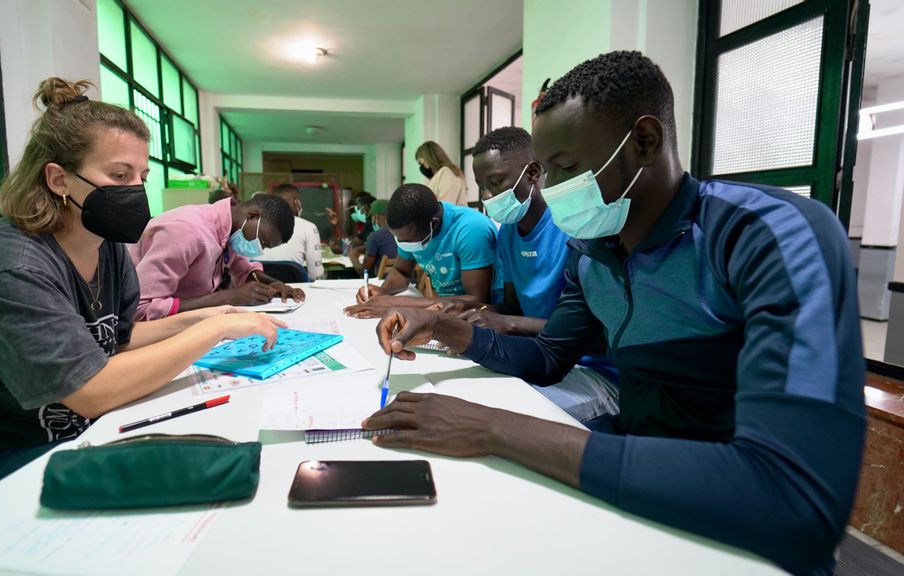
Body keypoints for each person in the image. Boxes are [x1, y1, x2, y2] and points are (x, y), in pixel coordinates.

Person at [364, 51, 864, 575]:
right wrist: (441, 324)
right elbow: (550, 359)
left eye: (566, 168)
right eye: (546, 171)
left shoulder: (766, 235)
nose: (551, 191)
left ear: (644, 142)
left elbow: (791, 497)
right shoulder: (594, 251)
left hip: (737, 526)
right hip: (639, 481)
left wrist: (492, 428)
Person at [0, 78, 286, 527]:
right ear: (58, 179)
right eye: (118, 176)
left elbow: (116, 337)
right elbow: (92, 391)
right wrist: (213, 330)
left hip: (43, 429)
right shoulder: (6, 263)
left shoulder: (105, 245)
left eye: (141, 177)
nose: (135, 190)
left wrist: (212, 313)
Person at [429, 126, 618, 422]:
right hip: (536, 355)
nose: (489, 196)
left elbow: (595, 336)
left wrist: (506, 323)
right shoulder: (507, 233)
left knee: (493, 416)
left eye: (496, 182)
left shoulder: (574, 228)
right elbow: (511, 309)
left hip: (591, 368)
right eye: (482, 186)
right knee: (459, 390)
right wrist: (470, 311)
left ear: (532, 173)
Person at [129, 193, 306, 320]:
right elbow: (140, 309)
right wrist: (228, 297)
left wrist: (271, 284)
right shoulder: (186, 231)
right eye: (263, 242)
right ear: (253, 216)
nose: (260, 249)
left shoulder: (229, 231)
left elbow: (243, 271)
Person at [344, 184, 496, 317]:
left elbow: (478, 301)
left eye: (409, 241)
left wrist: (397, 303)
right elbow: (401, 272)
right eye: (398, 239)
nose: (403, 245)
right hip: (443, 309)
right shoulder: (411, 229)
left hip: (481, 315)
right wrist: (382, 292)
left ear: (433, 224)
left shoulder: (470, 229)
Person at [257, 183, 324, 280]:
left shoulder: (255, 225)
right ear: (296, 202)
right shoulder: (308, 227)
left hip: (258, 291)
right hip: (296, 292)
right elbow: (316, 275)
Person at [348, 199, 398, 278]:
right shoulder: (405, 233)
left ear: (376, 217)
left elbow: (364, 272)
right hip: (410, 285)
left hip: (385, 285)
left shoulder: (376, 236)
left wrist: (353, 256)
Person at [416, 141, 467, 206]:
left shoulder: (447, 173)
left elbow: (446, 206)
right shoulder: (439, 175)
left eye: (421, 163)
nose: (421, 167)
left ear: (429, 158)